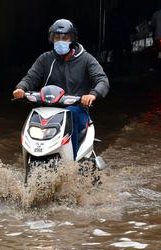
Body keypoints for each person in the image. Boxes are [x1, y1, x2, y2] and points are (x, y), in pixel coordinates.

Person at [13, 19, 110, 159]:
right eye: (57, 37)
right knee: (32, 117)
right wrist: (21, 88)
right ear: (51, 39)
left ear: (73, 39)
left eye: (65, 37)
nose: (60, 41)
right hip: (47, 110)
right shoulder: (45, 59)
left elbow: (102, 80)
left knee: (71, 114)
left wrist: (92, 95)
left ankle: (72, 164)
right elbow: (30, 77)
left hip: (76, 109)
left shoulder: (86, 59)